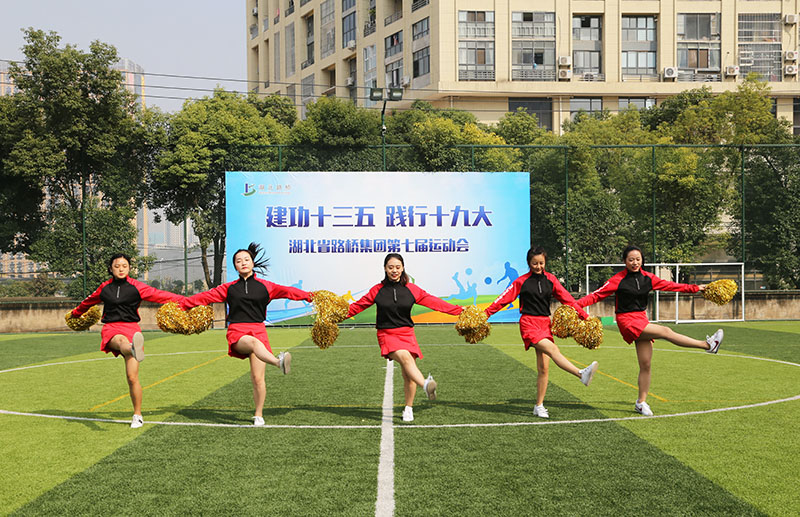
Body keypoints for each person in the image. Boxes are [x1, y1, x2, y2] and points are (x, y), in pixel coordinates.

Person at [577, 245, 723, 417]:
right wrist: (575, 305)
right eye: (631, 260)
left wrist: (696, 288)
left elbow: (671, 286)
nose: (635, 263)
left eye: (638, 259)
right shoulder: (617, 279)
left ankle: (641, 402)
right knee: (665, 331)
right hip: (627, 321)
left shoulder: (649, 278)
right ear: (624, 261)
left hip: (642, 319)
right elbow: (596, 295)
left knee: (645, 364)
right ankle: (707, 345)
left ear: (642, 261)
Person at [181, 243, 313, 426]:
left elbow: (289, 292)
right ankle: (278, 362)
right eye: (238, 261)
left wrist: (311, 296)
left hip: (259, 330)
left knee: (258, 379)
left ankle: (258, 415)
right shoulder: (228, 288)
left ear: (252, 262)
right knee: (253, 342)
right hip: (238, 332)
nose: (243, 263)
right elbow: (204, 297)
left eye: (246, 259)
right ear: (235, 266)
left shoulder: (266, 286)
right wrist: (181, 304)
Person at [345, 253, 464, 423]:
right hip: (387, 334)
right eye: (390, 267)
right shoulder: (377, 290)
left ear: (403, 268)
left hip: (407, 334)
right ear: (385, 269)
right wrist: (333, 317)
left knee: (408, 374)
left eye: (397, 267)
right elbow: (356, 307)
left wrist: (459, 311)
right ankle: (425, 384)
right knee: (406, 358)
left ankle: (408, 408)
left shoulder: (412, 289)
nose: (394, 270)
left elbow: (434, 302)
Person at [70, 253, 185, 428]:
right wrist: (75, 314)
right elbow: (88, 302)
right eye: (117, 266)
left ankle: (137, 415)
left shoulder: (137, 287)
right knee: (121, 341)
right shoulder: (104, 288)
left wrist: (189, 301)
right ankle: (131, 348)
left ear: (129, 268)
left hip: (132, 329)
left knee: (132, 378)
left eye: (124, 266)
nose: (121, 269)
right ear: (110, 269)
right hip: (111, 329)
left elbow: (161, 295)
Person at [484, 247, 599, 418]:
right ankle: (580, 374)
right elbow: (502, 300)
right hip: (529, 324)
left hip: (545, 323)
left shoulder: (551, 280)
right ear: (528, 263)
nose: (538, 267)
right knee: (553, 349)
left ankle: (539, 406)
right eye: (534, 263)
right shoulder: (521, 281)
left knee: (544, 368)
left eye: (541, 263)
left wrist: (585, 316)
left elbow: (568, 300)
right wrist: (485, 314)